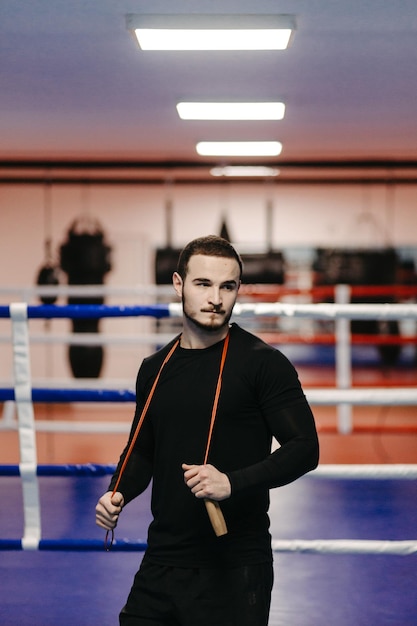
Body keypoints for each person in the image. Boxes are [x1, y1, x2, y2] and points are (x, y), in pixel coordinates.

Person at [96, 235, 319, 626]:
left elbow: (305, 448)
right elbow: (143, 449)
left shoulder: (264, 364)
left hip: (234, 565)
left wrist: (231, 483)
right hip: (162, 558)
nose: (216, 297)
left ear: (237, 291)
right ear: (179, 285)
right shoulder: (155, 367)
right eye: (203, 284)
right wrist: (118, 492)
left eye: (227, 286)